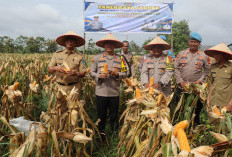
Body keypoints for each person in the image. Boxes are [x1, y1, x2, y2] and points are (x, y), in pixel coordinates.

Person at [90, 33, 126, 134]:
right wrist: (98, 76)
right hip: (101, 92)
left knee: (114, 116)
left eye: (111, 44)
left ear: (114, 46)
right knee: (101, 116)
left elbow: (125, 73)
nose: (109, 46)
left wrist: (117, 74)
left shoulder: (120, 59)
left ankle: (113, 134)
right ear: (104, 45)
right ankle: (100, 135)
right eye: (107, 44)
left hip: (114, 92)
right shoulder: (97, 58)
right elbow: (91, 72)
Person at [174, 32, 211, 124]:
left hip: (196, 88)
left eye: (196, 42)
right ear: (189, 42)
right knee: (181, 109)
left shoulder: (204, 56)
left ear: (199, 44)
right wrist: (180, 81)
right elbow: (176, 69)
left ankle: (194, 126)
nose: (193, 44)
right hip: (182, 87)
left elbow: (207, 70)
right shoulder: (182, 53)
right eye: (191, 41)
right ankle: (181, 126)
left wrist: (200, 81)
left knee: (196, 109)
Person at [48, 31, 86, 98]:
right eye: (68, 40)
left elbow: (83, 73)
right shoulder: (57, 54)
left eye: (72, 40)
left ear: (75, 43)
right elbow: (49, 69)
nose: (70, 42)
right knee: (59, 108)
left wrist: (76, 73)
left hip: (74, 88)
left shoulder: (80, 57)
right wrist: (55, 68)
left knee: (73, 108)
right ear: (65, 42)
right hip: (59, 87)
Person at [205, 43, 232, 112]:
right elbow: (212, 84)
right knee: (212, 121)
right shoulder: (213, 67)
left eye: (217, 54)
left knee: (224, 122)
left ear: (224, 55)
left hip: (226, 103)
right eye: (214, 54)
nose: (214, 56)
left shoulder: (230, 67)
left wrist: (230, 104)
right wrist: (208, 99)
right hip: (213, 102)